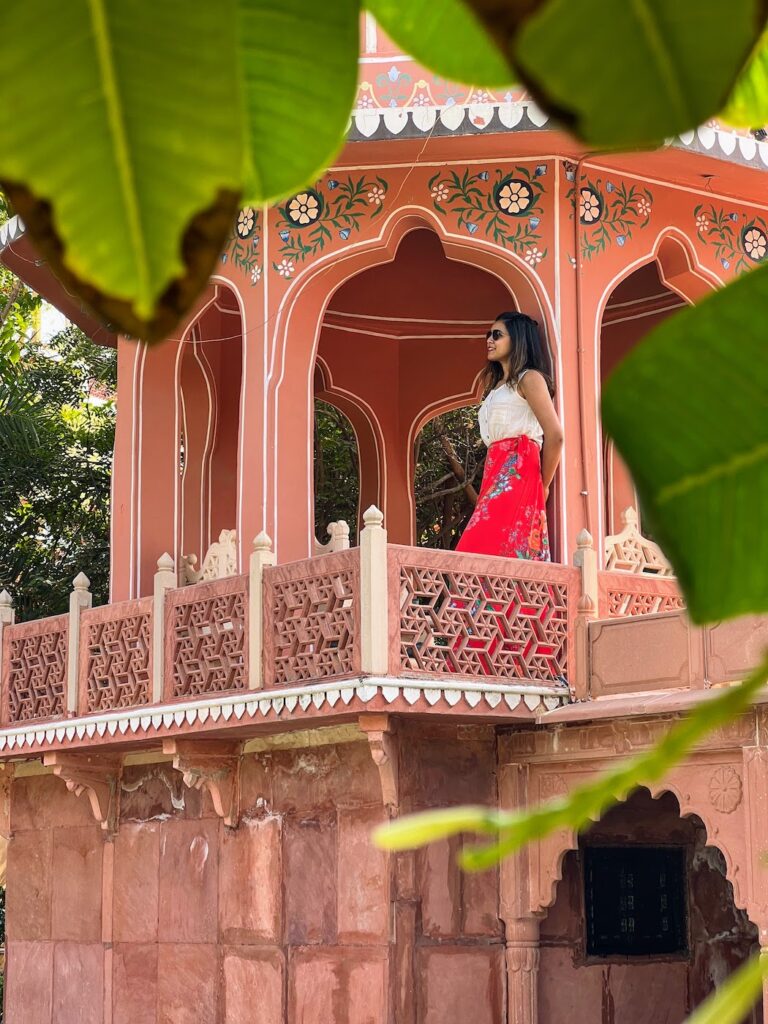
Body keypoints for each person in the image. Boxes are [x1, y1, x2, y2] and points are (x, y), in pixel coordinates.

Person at [456, 311, 563, 560]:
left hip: (518, 474)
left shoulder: (530, 378)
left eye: (497, 335)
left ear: (517, 339)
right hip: (495, 475)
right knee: (490, 555)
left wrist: (542, 485)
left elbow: (555, 435)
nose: (489, 340)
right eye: (488, 335)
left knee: (476, 551)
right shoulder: (496, 388)